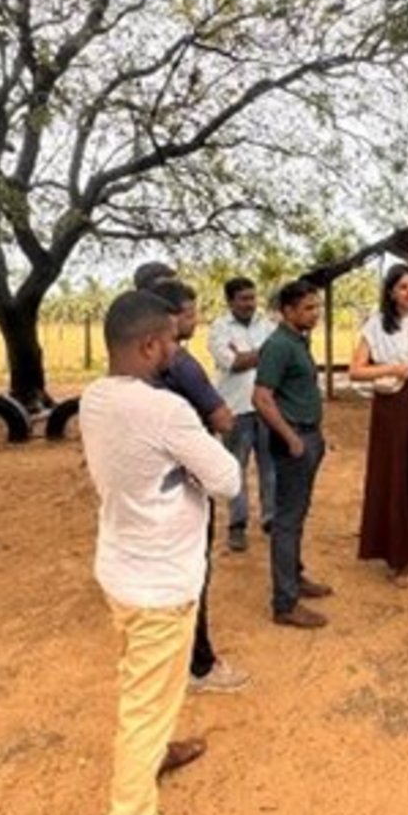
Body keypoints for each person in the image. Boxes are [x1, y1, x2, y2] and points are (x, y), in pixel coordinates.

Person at [79, 289, 242, 815]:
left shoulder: (94, 399)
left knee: (142, 682)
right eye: (171, 339)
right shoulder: (165, 411)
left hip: (122, 568)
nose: (178, 347)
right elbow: (226, 479)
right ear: (149, 345)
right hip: (160, 582)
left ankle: (155, 751)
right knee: (145, 706)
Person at [143, 276, 247, 695]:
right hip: (187, 476)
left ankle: (167, 657)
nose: (195, 320)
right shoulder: (182, 363)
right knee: (193, 568)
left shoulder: (133, 366)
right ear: (169, 319)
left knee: (159, 571)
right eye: (189, 313)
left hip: (149, 480)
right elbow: (222, 417)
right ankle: (199, 664)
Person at [349, 264, 408, 585]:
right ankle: (397, 560)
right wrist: (394, 368)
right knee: (394, 473)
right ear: (390, 292)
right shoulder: (376, 325)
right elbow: (356, 371)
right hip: (392, 405)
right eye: (403, 287)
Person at [252, 280, 334, 629]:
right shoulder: (279, 346)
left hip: (307, 435)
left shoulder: (298, 340)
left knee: (297, 515)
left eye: (316, 307)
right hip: (294, 441)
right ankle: (285, 603)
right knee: (286, 521)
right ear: (287, 312)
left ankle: (295, 578)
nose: (315, 314)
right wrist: (291, 437)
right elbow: (261, 397)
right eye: (308, 308)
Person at [207, 276, 276, 551]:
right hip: (236, 409)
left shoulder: (266, 324)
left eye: (252, 297)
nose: (250, 303)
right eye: (243, 299)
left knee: (270, 466)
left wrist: (249, 355)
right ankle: (237, 525)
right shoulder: (219, 329)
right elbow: (233, 363)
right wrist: (261, 353)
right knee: (236, 467)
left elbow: (277, 358)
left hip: (268, 406)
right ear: (229, 301)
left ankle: (271, 518)